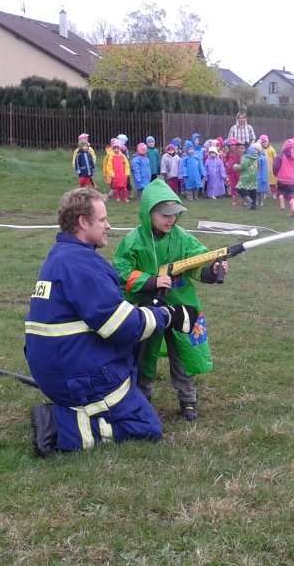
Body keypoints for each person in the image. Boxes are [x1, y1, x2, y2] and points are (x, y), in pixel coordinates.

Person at [25, 187, 198, 454]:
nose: (108, 226)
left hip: (57, 366)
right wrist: (168, 315)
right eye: (103, 219)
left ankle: (74, 410)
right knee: (147, 426)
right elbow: (121, 327)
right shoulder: (83, 265)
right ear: (83, 222)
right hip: (80, 376)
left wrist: (147, 309)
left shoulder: (61, 255)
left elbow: (105, 312)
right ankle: (63, 427)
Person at [113, 180, 228, 421]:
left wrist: (211, 269)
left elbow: (198, 262)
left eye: (174, 214)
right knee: (144, 355)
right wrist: (151, 281)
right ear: (148, 213)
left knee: (183, 353)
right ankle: (142, 398)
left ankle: (188, 399)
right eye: (164, 215)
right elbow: (122, 271)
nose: (171, 219)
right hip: (148, 309)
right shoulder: (134, 240)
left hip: (181, 307)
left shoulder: (182, 238)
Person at [235, 141, 261, 209]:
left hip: (246, 176)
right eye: (239, 148)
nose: (241, 150)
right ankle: (253, 205)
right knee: (252, 189)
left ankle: (248, 199)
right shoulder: (255, 155)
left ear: (246, 148)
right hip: (254, 175)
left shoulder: (245, 156)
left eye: (242, 148)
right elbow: (258, 165)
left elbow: (243, 166)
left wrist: (235, 166)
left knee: (239, 188)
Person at [260, 135, 278, 200]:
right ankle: (264, 193)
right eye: (263, 142)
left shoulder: (272, 149)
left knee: (272, 182)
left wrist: (275, 166)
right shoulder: (260, 149)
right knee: (264, 182)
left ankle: (274, 193)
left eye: (266, 142)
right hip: (263, 169)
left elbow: (275, 158)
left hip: (271, 169)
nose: (265, 143)